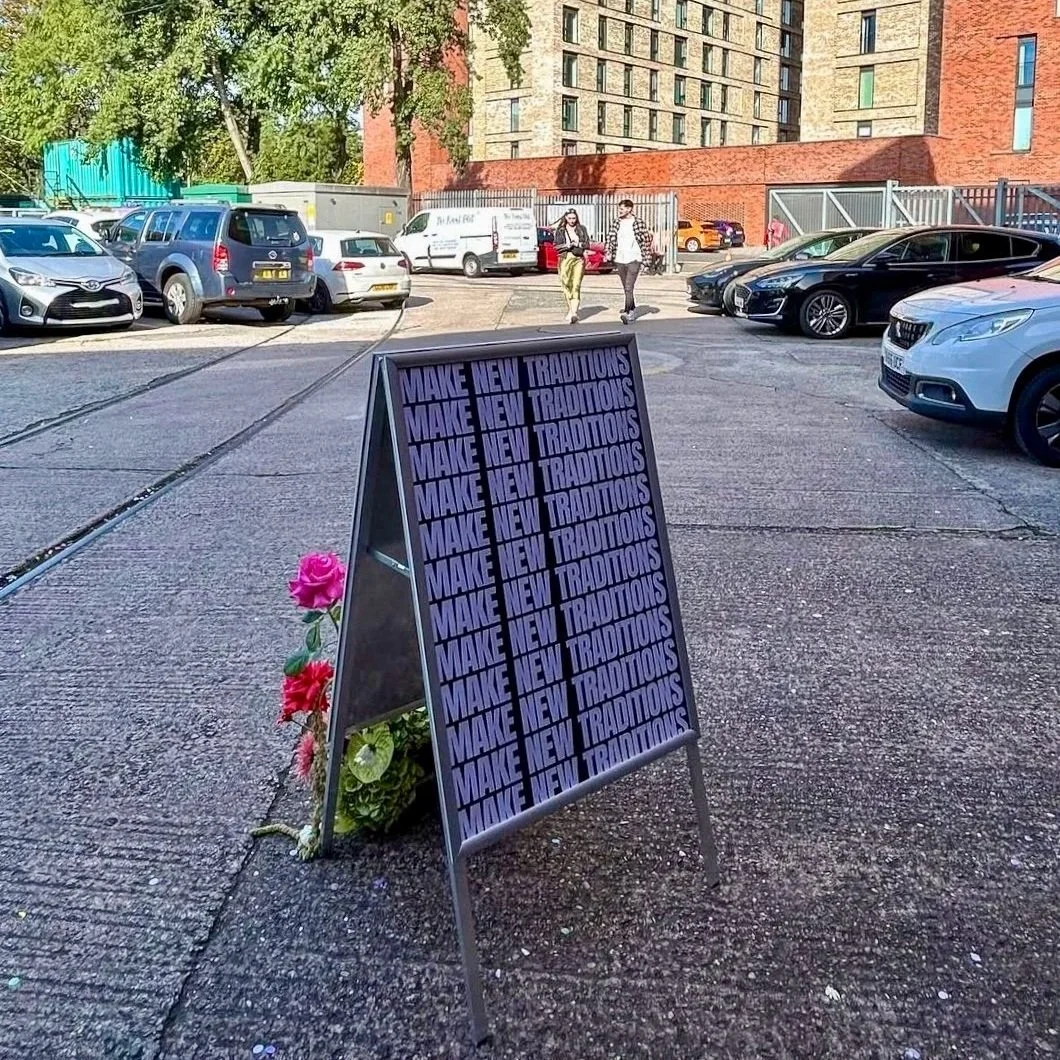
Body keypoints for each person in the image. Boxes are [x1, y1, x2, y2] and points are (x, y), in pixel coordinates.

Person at [604, 199, 654, 324]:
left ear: (629, 209)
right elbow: (610, 238)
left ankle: (628, 313)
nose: (619, 211)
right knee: (626, 288)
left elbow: (646, 241)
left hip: (634, 258)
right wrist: (608, 252)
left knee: (628, 286)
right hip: (620, 258)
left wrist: (646, 260)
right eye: (619, 209)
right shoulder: (616, 223)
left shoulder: (638, 222)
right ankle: (632, 307)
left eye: (622, 209)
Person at [553, 208, 590, 324]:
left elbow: (587, 243)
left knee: (576, 284)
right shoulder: (560, 231)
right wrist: (567, 245)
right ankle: (571, 309)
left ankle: (574, 312)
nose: (572, 220)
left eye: (574, 218)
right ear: (565, 218)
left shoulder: (582, 229)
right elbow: (556, 246)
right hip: (565, 257)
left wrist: (579, 243)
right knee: (565, 283)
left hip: (578, 258)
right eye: (569, 218)